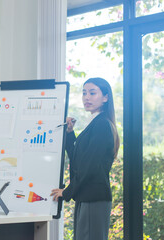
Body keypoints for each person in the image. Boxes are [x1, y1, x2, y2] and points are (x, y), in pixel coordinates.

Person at [51, 78, 120, 240]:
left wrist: (67, 191)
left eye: (92, 93)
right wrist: (69, 133)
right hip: (86, 196)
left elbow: (89, 167)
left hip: (93, 198)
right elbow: (78, 159)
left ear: (105, 98)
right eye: (84, 93)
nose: (86, 97)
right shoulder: (94, 122)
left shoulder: (102, 124)